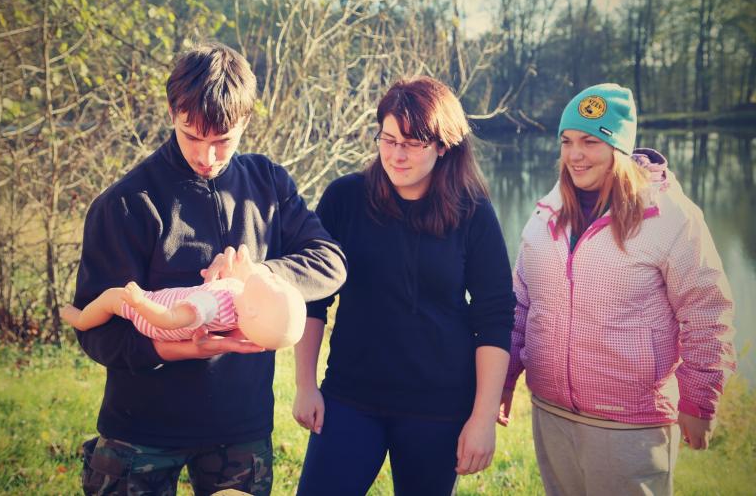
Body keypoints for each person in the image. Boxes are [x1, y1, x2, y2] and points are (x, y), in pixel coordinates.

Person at [72, 42, 346, 496]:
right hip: (139, 431)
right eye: (192, 136)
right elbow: (94, 332)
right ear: (172, 112)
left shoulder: (269, 184)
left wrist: (256, 276)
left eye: (223, 140)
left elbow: (329, 261)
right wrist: (169, 348)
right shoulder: (125, 203)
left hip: (240, 430)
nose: (207, 156)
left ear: (246, 121)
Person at [500, 83, 737, 496]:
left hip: (631, 426)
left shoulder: (669, 217)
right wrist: (503, 380)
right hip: (551, 414)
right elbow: (520, 305)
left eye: (590, 142)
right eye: (567, 141)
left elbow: (706, 311)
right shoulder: (546, 214)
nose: (575, 154)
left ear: (619, 148)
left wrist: (700, 400)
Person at [293, 76, 517, 495]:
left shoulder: (473, 212)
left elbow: (495, 317)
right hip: (350, 397)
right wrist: (305, 384)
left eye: (412, 144)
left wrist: (482, 418)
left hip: (439, 409)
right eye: (388, 139)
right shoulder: (344, 198)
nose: (396, 155)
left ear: (443, 146)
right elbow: (313, 298)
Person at [61, 244, 307, 350]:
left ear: (253, 309)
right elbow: (226, 286)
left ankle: (81, 319)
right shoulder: (238, 301)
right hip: (167, 308)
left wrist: (139, 302)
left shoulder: (211, 305)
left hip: (154, 316)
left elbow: (170, 319)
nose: (277, 278)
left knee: (112, 298)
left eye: (276, 285)